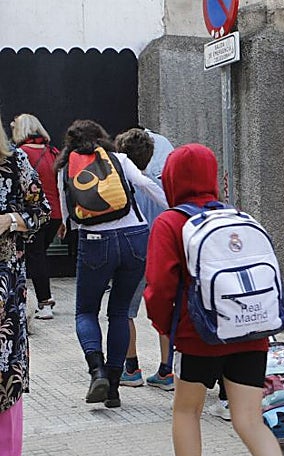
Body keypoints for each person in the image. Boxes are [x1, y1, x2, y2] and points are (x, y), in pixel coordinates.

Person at [144, 143, 283, 456]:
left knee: (186, 412)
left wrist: (167, 327)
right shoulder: (238, 216)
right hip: (251, 332)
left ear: (170, 178)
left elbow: (159, 286)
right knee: (249, 420)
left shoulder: (170, 222)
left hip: (199, 335)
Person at [55, 119, 166, 409]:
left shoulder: (67, 168)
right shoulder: (118, 158)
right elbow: (146, 185)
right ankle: (114, 390)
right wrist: (177, 209)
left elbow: (69, 215)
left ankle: (97, 372)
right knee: (118, 313)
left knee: (85, 312)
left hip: (95, 242)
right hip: (135, 237)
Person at [0, 120, 51, 451]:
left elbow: (41, 211)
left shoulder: (13, 161)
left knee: (4, 374)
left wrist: (11, 220)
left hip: (4, 288)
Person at [113, 127, 175, 389]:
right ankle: (166, 370)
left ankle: (131, 369)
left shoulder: (121, 170)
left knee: (124, 308)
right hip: (164, 247)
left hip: (133, 245)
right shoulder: (165, 151)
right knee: (167, 309)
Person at [10, 114, 60, 320]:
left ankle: (44, 301)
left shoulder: (21, 154)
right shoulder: (53, 152)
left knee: (35, 256)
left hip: (34, 214)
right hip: (55, 213)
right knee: (38, 255)